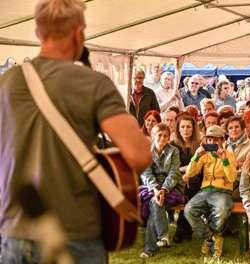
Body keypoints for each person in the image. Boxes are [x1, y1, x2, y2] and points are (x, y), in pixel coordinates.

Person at [0, 0, 152, 262]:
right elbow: (139, 155)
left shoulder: (6, 81)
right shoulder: (93, 84)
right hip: (74, 233)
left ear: (38, 32)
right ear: (79, 33)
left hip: (13, 230)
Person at [183, 125, 236, 258]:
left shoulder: (229, 154)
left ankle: (211, 240)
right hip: (205, 190)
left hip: (223, 191)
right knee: (189, 210)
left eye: (216, 140)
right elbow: (190, 173)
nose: (212, 143)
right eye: (209, 140)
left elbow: (232, 177)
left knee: (222, 210)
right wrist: (196, 156)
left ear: (222, 140)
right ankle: (211, 238)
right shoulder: (204, 155)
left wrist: (224, 160)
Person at [139, 123, 185, 258]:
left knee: (155, 203)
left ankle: (150, 248)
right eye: (159, 135)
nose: (163, 138)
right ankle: (163, 236)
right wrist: (155, 189)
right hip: (152, 187)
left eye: (166, 136)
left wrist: (164, 189)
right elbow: (146, 173)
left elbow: (174, 173)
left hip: (171, 187)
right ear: (153, 136)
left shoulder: (174, 151)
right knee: (155, 202)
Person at [171, 115, 202, 243]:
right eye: (182, 127)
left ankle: (182, 228)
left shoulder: (200, 145)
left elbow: (201, 165)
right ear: (178, 129)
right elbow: (172, 167)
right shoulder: (173, 145)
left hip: (196, 179)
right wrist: (186, 171)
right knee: (186, 187)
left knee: (192, 186)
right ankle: (185, 228)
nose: (185, 130)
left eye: (188, 127)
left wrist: (189, 172)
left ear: (193, 128)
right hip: (177, 179)